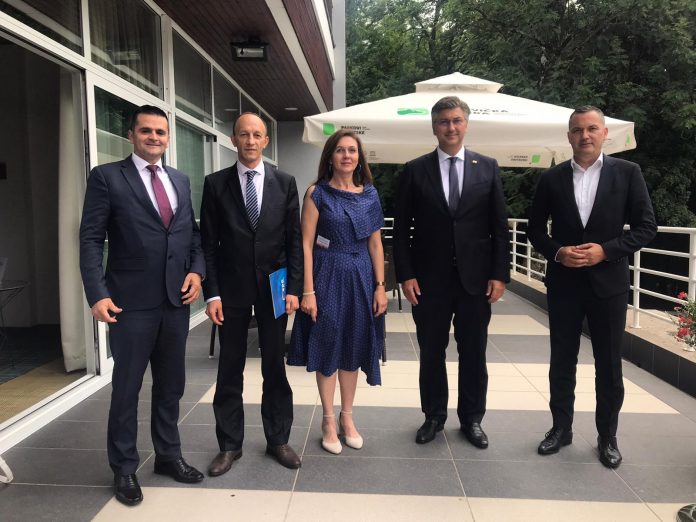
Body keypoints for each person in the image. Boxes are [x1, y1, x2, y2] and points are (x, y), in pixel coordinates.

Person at [79, 105, 205, 506]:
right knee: (127, 389)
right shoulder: (107, 177)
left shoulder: (180, 180)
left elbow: (191, 235)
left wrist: (197, 272)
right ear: (131, 135)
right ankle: (124, 468)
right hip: (129, 303)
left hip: (175, 301)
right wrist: (97, 293)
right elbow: (90, 238)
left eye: (161, 132)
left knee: (171, 385)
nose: (154, 137)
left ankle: (168, 455)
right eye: (146, 131)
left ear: (168, 138)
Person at [528, 105, 657, 468]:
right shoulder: (551, 178)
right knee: (561, 361)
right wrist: (558, 253)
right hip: (564, 284)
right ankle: (561, 429)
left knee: (609, 365)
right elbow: (535, 229)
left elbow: (647, 227)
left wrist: (606, 250)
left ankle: (607, 437)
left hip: (609, 285)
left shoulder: (628, 173)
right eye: (577, 130)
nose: (584, 135)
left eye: (591, 129)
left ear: (604, 133)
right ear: (569, 136)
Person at [393, 96, 510, 448]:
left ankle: (472, 419)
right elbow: (401, 229)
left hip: (476, 281)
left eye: (457, 120)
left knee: (474, 353)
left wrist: (499, 274)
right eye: (444, 121)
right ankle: (433, 416)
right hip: (429, 281)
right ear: (434, 127)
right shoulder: (415, 170)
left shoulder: (487, 167)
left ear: (466, 124)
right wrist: (406, 275)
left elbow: (499, 227)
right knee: (431, 352)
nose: (451, 127)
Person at [200, 112, 303, 474]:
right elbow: (208, 245)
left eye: (257, 134)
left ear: (265, 141)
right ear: (233, 140)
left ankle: (278, 439)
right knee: (230, 368)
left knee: (275, 366)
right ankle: (229, 445)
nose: (250, 141)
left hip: (274, 288)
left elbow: (294, 241)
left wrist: (294, 288)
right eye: (243, 134)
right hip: (231, 291)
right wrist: (212, 294)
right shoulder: (215, 184)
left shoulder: (285, 183)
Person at [288, 129, 388, 454]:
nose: (347, 156)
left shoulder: (370, 194)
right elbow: (306, 243)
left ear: (359, 158)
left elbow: (376, 244)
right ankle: (328, 420)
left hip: (361, 276)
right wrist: (308, 291)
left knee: (354, 345)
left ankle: (348, 417)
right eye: (340, 150)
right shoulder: (317, 193)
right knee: (328, 342)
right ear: (330, 156)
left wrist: (380, 287)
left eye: (352, 150)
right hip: (326, 274)